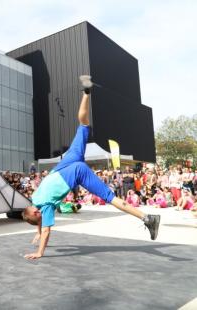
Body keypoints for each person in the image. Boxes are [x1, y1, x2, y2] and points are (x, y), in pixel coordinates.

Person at [21, 75, 160, 260]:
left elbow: (45, 227)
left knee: (109, 197)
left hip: (76, 171)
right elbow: (38, 218)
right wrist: (38, 230)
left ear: (35, 213)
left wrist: (39, 251)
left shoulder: (44, 207)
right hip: (66, 163)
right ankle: (86, 92)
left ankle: (147, 218)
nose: (39, 214)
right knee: (83, 124)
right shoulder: (35, 199)